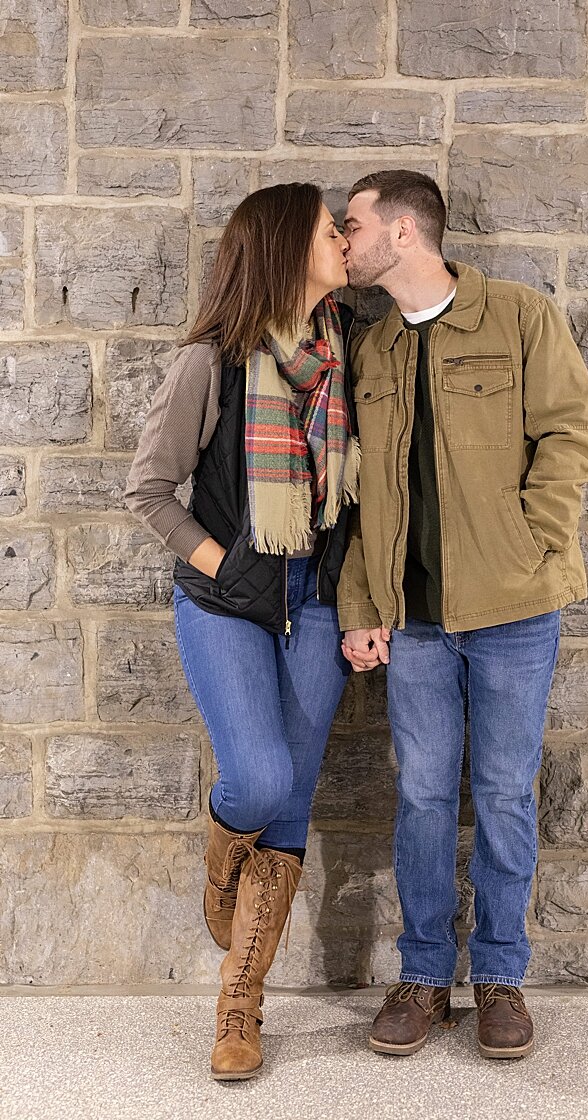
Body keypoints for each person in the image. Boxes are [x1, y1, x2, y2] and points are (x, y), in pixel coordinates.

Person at [337, 170, 588, 1060]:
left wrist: (530, 544)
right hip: (411, 619)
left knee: (500, 793)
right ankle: (421, 977)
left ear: (404, 232)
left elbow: (571, 437)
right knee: (418, 794)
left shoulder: (520, 316)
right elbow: (362, 493)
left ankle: (499, 977)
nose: (345, 240)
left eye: (354, 224)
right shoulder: (373, 349)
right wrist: (362, 603)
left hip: (515, 609)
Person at [124, 183, 359, 1081]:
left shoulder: (351, 352)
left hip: (321, 601)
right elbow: (149, 491)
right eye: (327, 229)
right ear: (281, 246)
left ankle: (239, 1010)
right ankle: (225, 857)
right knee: (257, 781)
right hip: (226, 599)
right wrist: (228, 566)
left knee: (292, 803)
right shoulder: (210, 362)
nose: (342, 239)